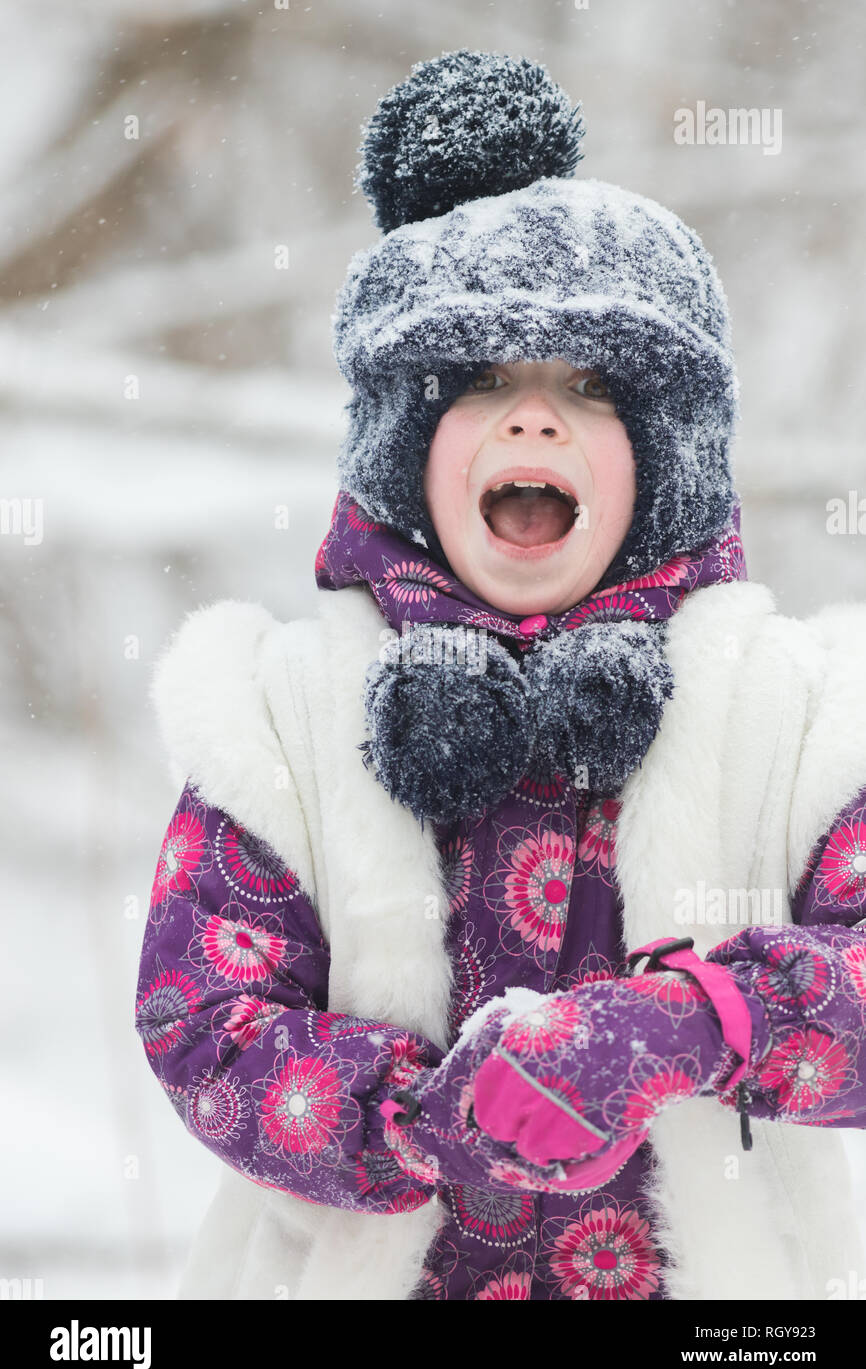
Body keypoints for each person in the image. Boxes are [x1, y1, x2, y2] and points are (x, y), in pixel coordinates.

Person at [135, 49, 866, 1300]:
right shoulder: (284, 713)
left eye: (586, 389)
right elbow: (200, 1019)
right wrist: (426, 1119)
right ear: (408, 448)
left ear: (660, 457)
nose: (534, 422)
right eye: (480, 382)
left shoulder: (796, 712)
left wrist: (691, 1023)